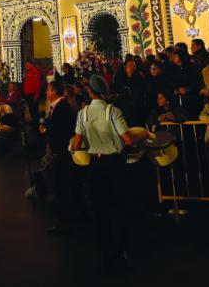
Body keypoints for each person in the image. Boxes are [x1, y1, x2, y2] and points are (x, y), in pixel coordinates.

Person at [71, 75, 149, 272]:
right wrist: (145, 134)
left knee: (99, 209)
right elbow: (128, 139)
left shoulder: (83, 113)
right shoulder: (112, 111)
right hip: (114, 163)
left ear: (90, 92)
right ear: (105, 92)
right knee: (119, 207)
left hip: (95, 166)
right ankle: (121, 247)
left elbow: (77, 144)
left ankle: (104, 249)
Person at [41, 80, 76, 235]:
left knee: (62, 187)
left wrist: (46, 130)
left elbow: (58, 131)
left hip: (61, 152)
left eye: (48, 90)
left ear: (54, 91)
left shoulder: (61, 108)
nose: (46, 93)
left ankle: (64, 221)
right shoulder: (58, 107)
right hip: (59, 151)